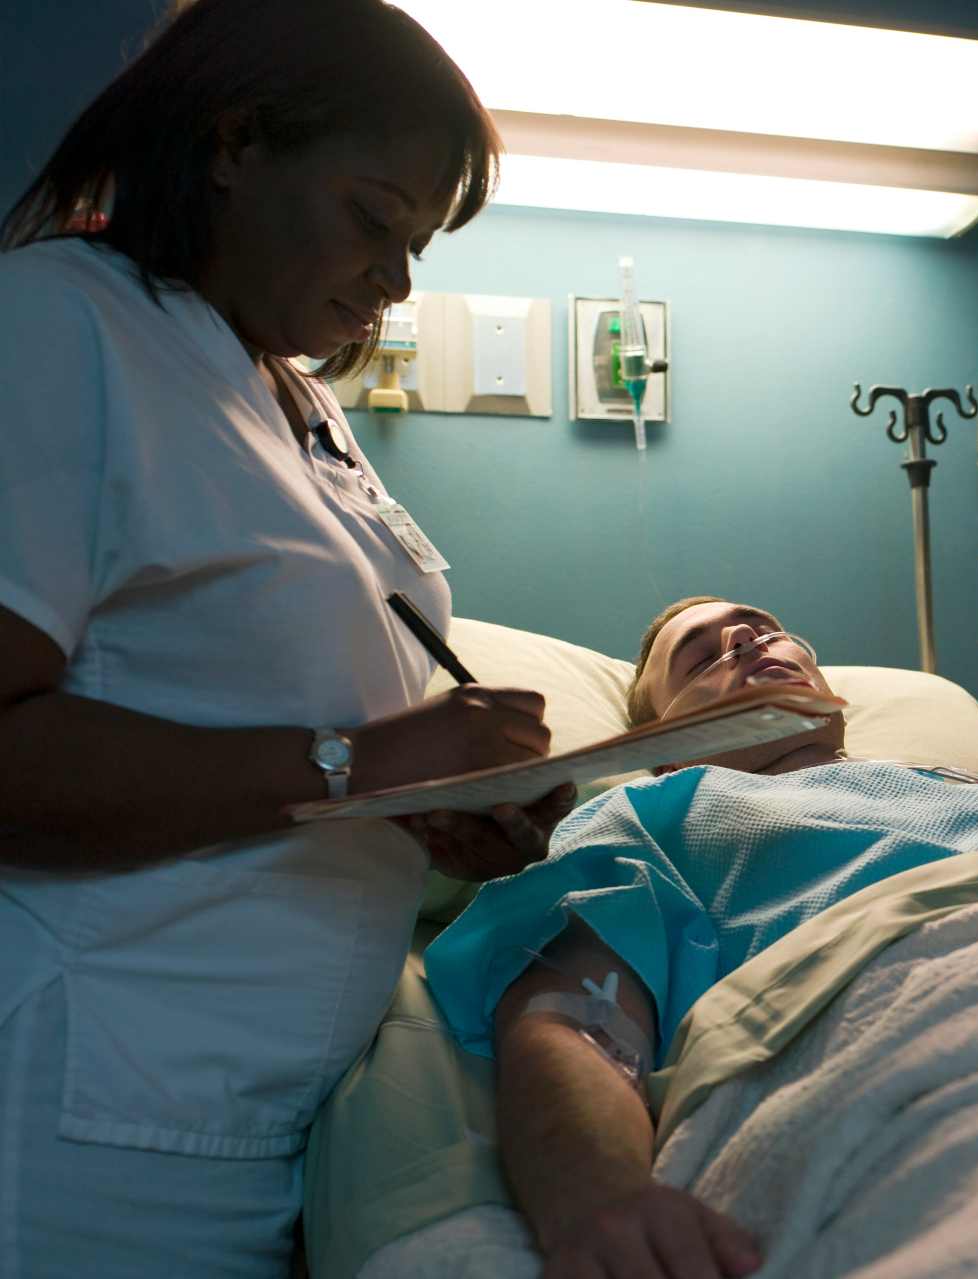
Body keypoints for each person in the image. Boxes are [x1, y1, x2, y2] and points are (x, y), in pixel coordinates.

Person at [0, 2, 573, 1273]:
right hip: (82, 1113)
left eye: (417, 245)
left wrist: (441, 812)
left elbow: (266, 722)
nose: (397, 279)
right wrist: (363, 767)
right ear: (236, 143)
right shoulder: (55, 326)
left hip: (266, 1123)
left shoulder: (288, 396)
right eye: (375, 218)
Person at [419, 596, 978, 1277]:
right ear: (662, 746)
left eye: (762, 628)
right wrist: (600, 1194)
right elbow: (571, 1010)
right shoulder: (654, 811)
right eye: (699, 658)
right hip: (916, 1016)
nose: (745, 638)